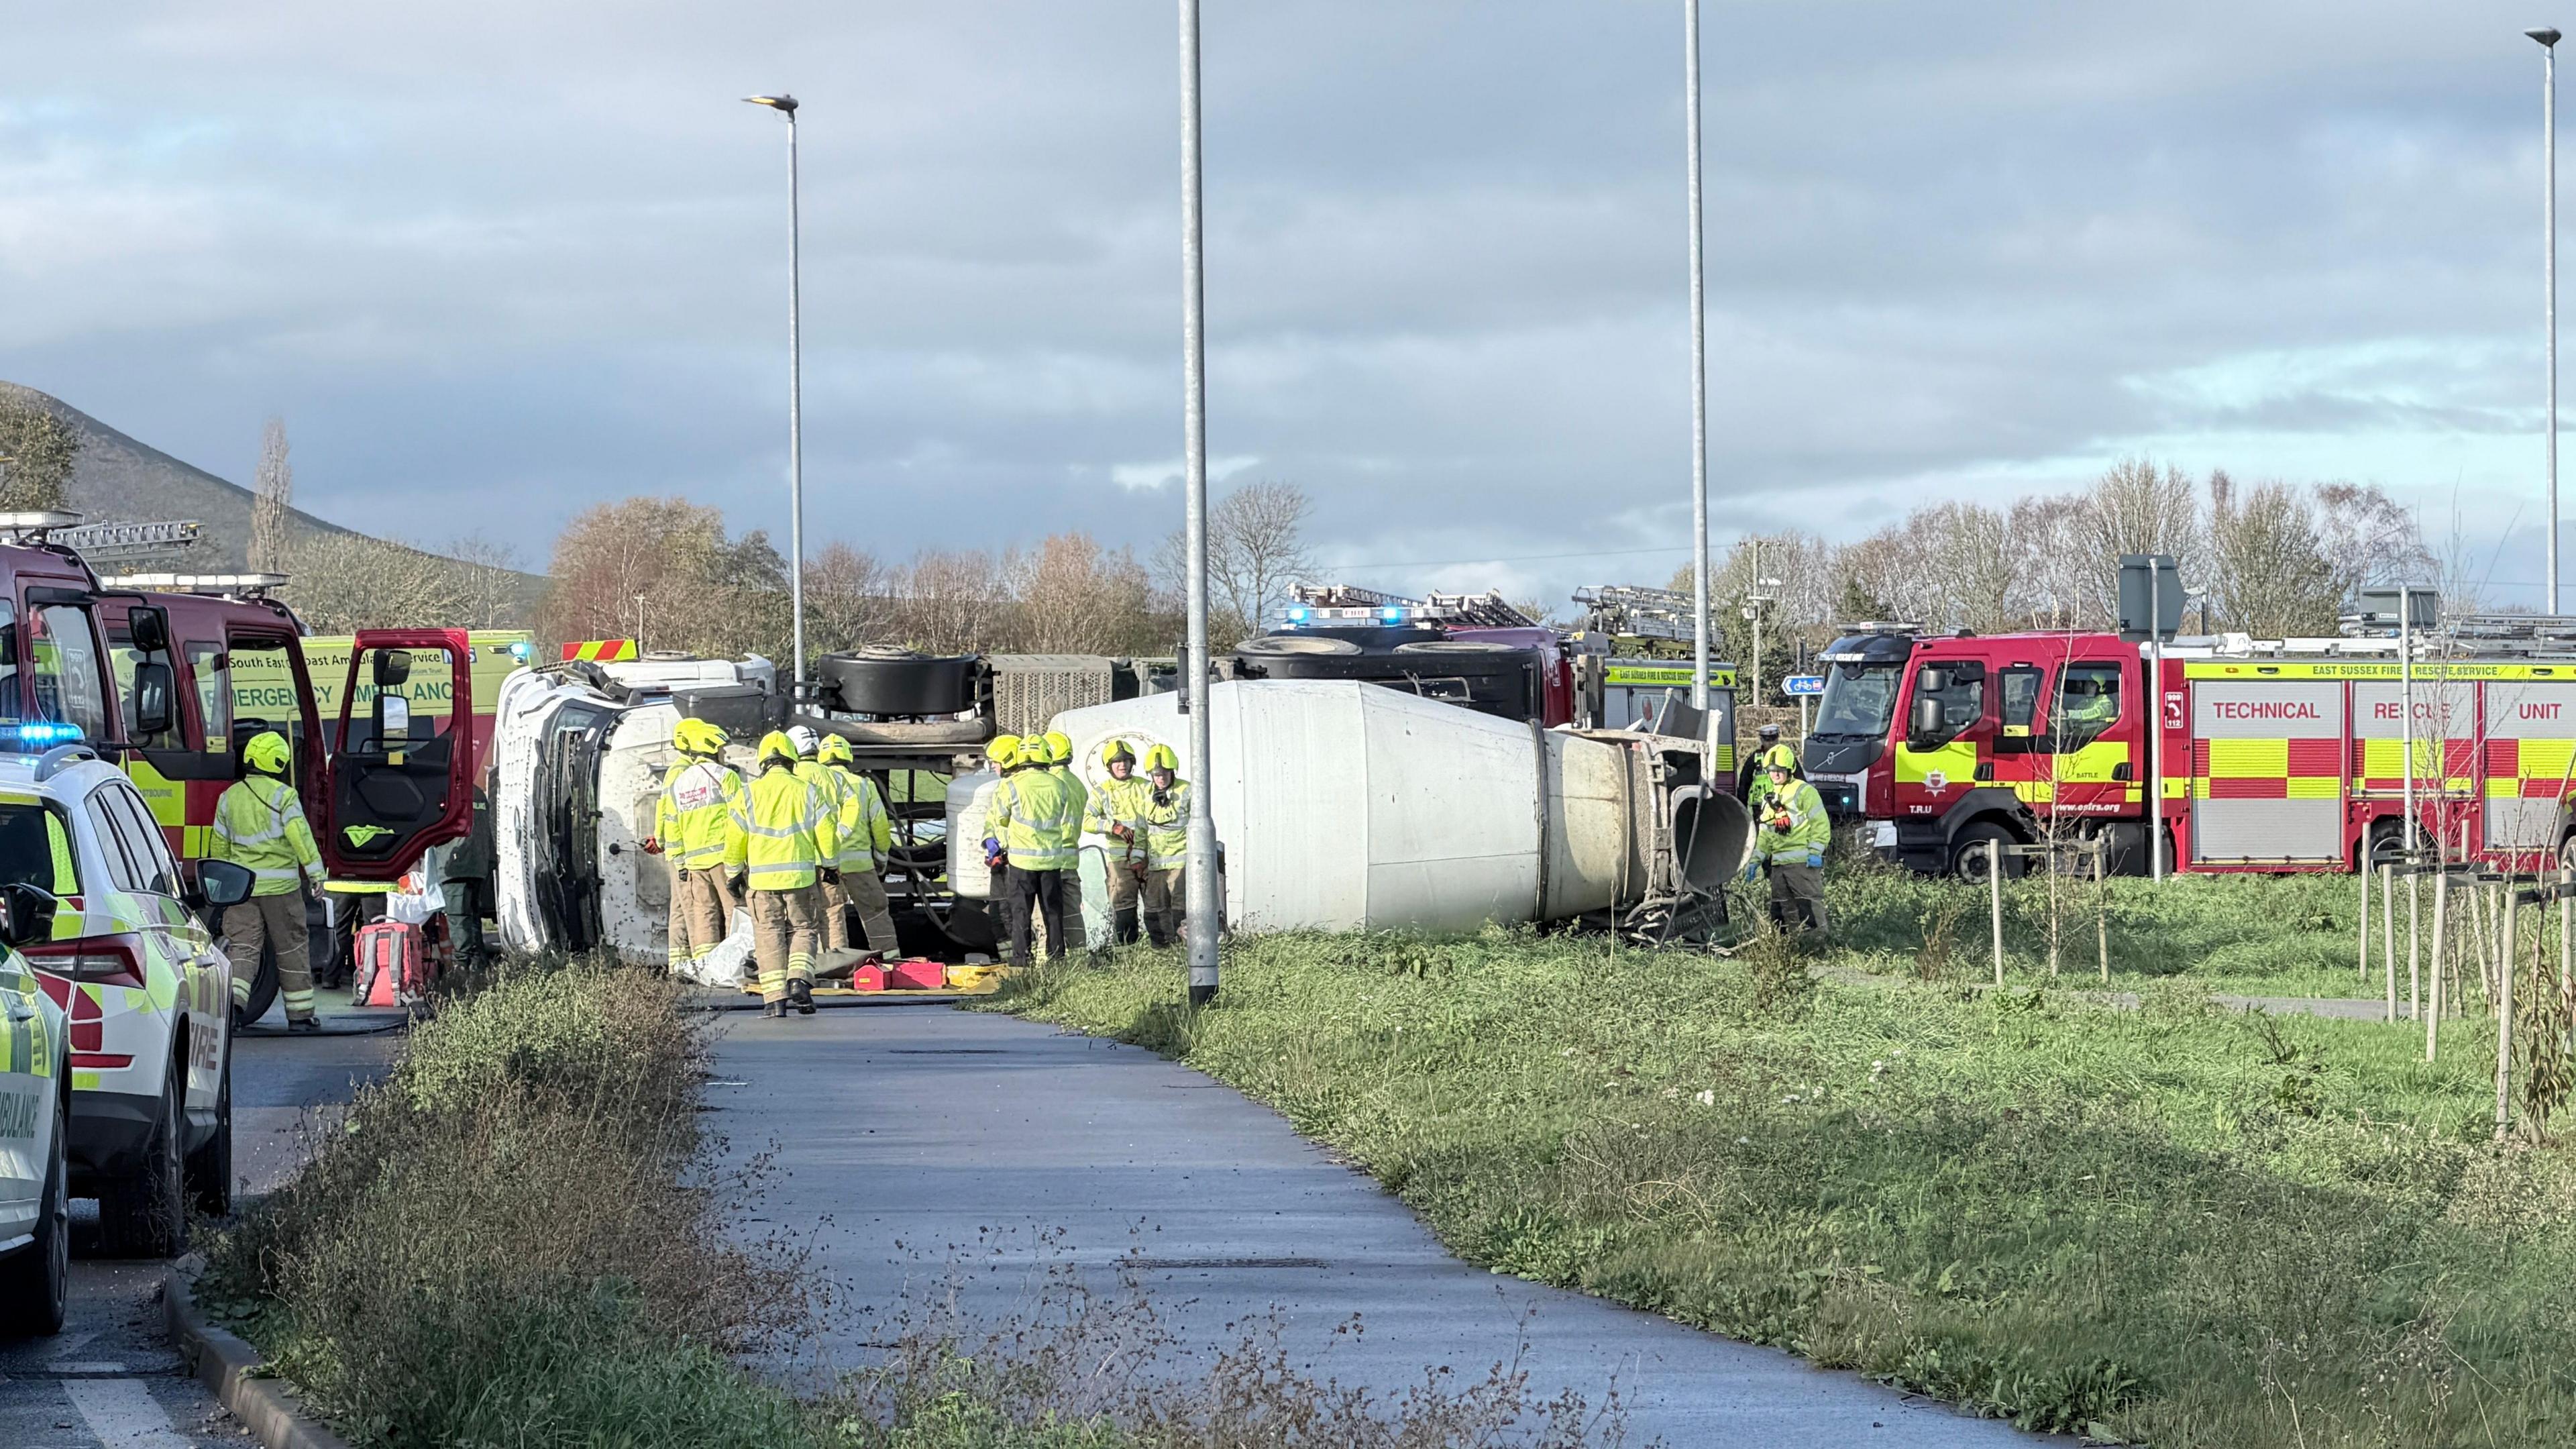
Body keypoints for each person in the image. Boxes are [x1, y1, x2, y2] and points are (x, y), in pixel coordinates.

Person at [211, 731, 327, 1031]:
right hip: (281, 891)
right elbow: (300, 837)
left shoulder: (228, 797)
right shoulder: (284, 796)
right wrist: (316, 873)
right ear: (278, 763)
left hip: (241, 890)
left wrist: (221, 886)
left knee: (243, 947)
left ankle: (234, 1010)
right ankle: (300, 1017)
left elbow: (220, 847)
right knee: (290, 948)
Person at [726, 729, 839, 1018]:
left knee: (768, 935)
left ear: (763, 762)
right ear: (791, 761)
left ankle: (775, 1001)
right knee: (804, 930)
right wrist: (830, 866)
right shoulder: (808, 792)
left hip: (761, 882)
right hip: (800, 880)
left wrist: (734, 873)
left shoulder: (747, 794)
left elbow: (734, 840)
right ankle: (799, 979)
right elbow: (826, 834)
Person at [642, 718, 745, 977]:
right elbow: (741, 818)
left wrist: (678, 860)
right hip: (723, 857)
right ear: (712, 749)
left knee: (704, 915)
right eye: (721, 749)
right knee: (734, 910)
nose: (724, 753)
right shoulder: (725, 776)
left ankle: (706, 969)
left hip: (693, 861)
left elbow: (671, 821)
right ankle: (736, 964)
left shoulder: (680, 781)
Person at [983, 728, 1083, 966]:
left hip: (1021, 863)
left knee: (1021, 915)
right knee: (1054, 915)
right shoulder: (1059, 785)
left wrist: (1003, 846)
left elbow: (1000, 821)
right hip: (1052, 862)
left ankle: (1021, 964)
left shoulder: (1011, 786)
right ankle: (1057, 962)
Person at [817, 733, 900, 959]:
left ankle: (836, 965)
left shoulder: (814, 784)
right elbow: (881, 827)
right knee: (875, 912)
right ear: (848, 757)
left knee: (831, 913)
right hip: (860, 865)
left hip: (826, 866)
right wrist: (882, 858)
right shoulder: (865, 786)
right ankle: (890, 961)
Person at [786, 725, 855, 961]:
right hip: (828, 857)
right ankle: (838, 962)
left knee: (801, 916)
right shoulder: (833, 776)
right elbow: (852, 805)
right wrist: (839, 835)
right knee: (833, 911)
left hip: (799, 858)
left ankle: (804, 963)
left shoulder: (792, 777)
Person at [1082, 740, 1155, 945]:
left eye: (1126, 761)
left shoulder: (1146, 787)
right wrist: (1113, 826)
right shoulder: (1101, 792)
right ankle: (1127, 961)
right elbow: (1086, 821)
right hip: (1120, 861)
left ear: (1133, 763)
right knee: (1124, 911)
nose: (1122, 765)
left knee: (1157, 908)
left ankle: (1162, 954)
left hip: (1149, 858)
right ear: (1109, 766)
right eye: (1117, 762)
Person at [1753, 744, 1829, 937]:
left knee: (1809, 906)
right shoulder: (1769, 798)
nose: (1775, 775)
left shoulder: (1804, 792)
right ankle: (1791, 948)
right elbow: (1765, 834)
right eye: (1771, 771)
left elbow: (1820, 824)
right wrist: (1755, 860)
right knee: (1782, 910)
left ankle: (1817, 945)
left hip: (1801, 864)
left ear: (1790, 769)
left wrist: (1815, 851)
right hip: (1779, 865)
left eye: (1779, 770)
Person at [1139, 744, 1191, 948]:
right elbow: (1141, 826)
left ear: (1172, 772)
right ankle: (1160, 950)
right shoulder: (1145, 794)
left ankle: (1184, 950)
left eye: (1164, 773)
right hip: (1156, 864)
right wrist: (1137, 858)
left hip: (1181, 862)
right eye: (1156, 774)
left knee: (1181, 909)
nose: (1160, 778)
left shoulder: (1186, 790)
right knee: (1153, 909)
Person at [1738, 722, 1784, 808]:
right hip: (1759, 805)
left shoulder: (1786, 756)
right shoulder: (1755, 758)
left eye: (1774, 739)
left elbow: (1799, 778)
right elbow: (1744, 782)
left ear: (1778, 738)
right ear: (1762, 740)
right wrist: (1742, 805)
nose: (1771, 743)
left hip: (1782, 802)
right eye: (1767, 739)